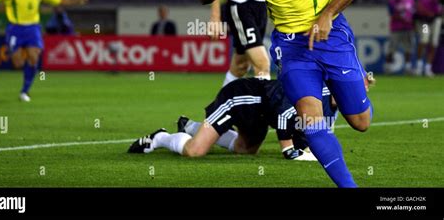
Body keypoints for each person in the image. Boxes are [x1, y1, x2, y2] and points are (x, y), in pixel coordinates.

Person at [198, 0, 372, 187]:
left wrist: (327, 14)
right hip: (290, 45)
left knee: (360, 122)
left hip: (330, 36)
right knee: (309, 118)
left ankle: (355, 86)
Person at [128, 78, 337, 162]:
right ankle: (159, 138)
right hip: (240, 98)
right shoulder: (319, 92)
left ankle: (190, 126)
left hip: (261, 114)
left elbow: (307, 132)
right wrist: (289, 150)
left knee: (245, 150)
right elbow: (284, 114)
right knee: (195, 151)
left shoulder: (332, 107)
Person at [414, 0, 443, 77]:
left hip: (436, 19)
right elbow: (416, 3)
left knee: (434, 42)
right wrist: (426, 12)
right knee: (424, 40)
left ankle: (428, 67)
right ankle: (419, 65)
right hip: (424, 20)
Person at [385, 0, 415, 74]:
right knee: (392, 48)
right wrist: (401, 17)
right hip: (396, 28)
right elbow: (392, 14)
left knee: (408, 48)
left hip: (408, 27)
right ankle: (388, 67)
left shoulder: (410, 0)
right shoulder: (392, 1)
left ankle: (407, 67)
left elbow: (414, 13)